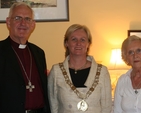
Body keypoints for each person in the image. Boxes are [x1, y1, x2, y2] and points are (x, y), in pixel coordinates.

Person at [48, 24, 112, 113]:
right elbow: (53, 105)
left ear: (88, 44)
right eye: (74, 39)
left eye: (83, 40)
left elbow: (107, 107)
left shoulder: (102, 72)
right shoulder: (56, 71)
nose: (78, 43)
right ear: (66, 43)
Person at [0, 2, 50, 113]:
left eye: (27, 19)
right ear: (8, 22)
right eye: (18, 18)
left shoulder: (39, 53)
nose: (23, 23)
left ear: (33, 25)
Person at [114, 35, 141, 113]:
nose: (135, 55)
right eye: (130, 52)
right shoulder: (122, 80)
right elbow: (117, 110)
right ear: (126, 57)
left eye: (139, 50)